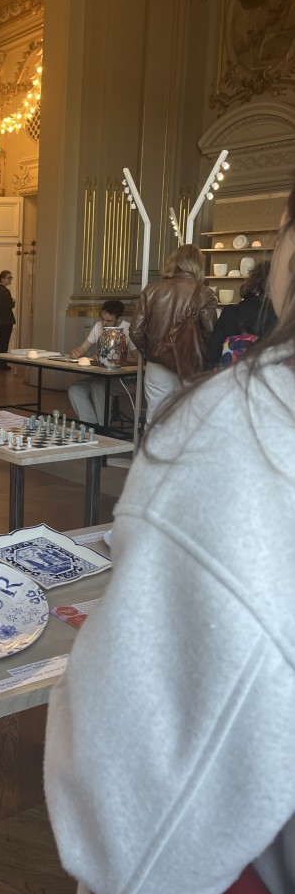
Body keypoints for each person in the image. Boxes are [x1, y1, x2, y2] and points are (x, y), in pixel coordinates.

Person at [44, 184, 295, 894]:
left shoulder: (237, 434)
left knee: (155, 428)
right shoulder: (207, 316)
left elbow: (136, 806)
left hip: (200, 859)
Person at [129, 243, 217, 422]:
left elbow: (135, 331)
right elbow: (210, 333)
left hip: (157, 365)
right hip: (190, 365)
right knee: (186, 422)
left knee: (155, 420)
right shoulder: (204, 293)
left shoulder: (151, 290)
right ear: (198, 265)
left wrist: (151, 353)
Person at [67, 300, 136, 425]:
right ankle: (90, 425)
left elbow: (138, 359)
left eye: (109, 321)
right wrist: (76, 352)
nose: (104, 323)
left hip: (124, 378)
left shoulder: (128, 329)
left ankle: (103, 429)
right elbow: (83, 348)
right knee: (75, 389)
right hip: (101, 375)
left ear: (119, 320)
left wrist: (114, 359)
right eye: (102, 319)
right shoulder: (98, 326)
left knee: (99, 387)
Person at [206, 260, 277, 368]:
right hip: (266, 376)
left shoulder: (230, 312)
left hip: (232, 375)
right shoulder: (279, 315)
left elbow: (212, 354)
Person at [0, 269, 15, 368]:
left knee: (2, 341)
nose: (10, 280)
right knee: (4, 342)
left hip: (0, 320)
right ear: (2, 279)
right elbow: (7, 306)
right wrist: (13, 302)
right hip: (5, 320)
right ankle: (1, 364)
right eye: (9, 278)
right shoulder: (4, 291)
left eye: (11, 278)